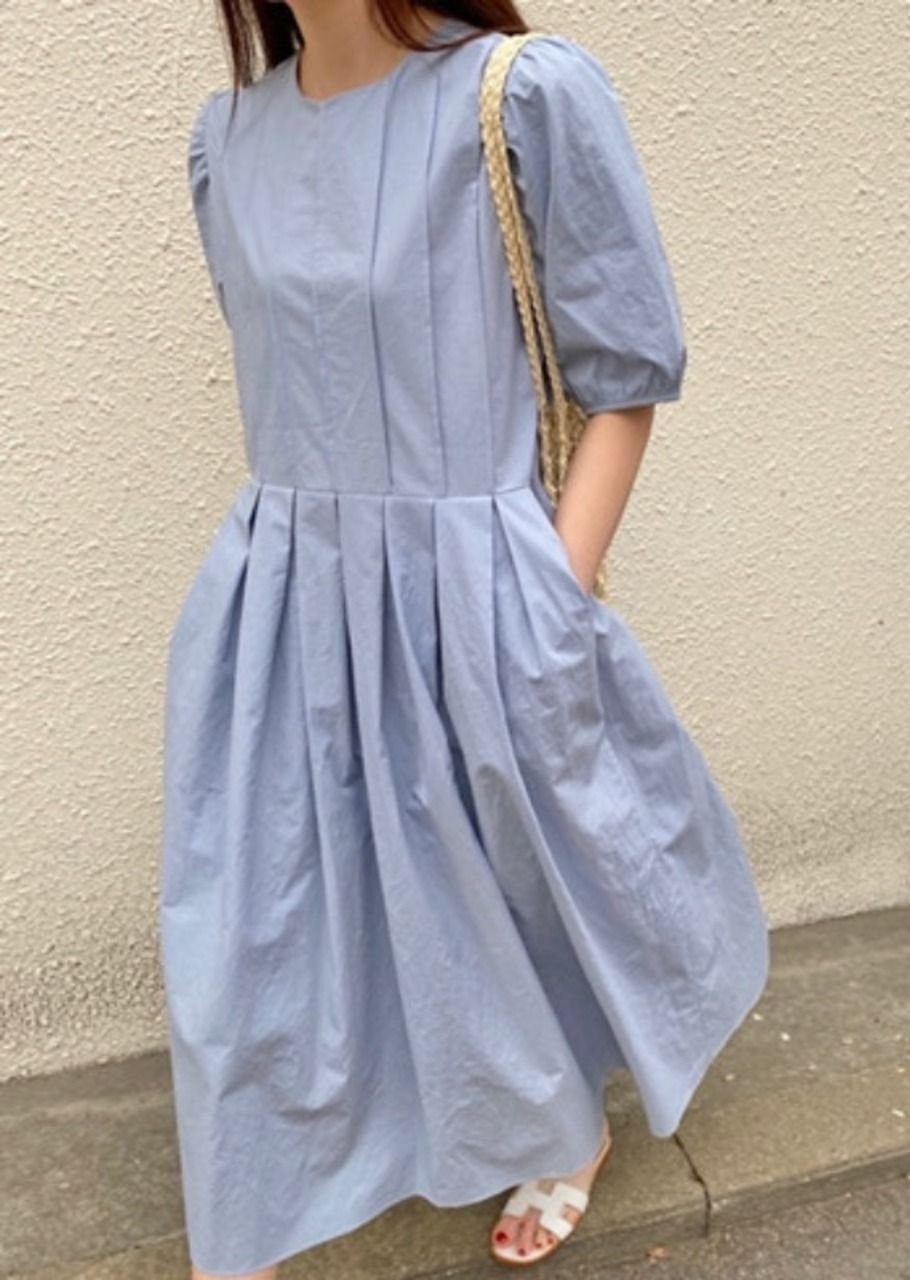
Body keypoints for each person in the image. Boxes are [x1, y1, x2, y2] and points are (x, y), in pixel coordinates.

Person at [160, 1, 770, 1275]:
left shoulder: (519, 95)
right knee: (277, 903)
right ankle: (287, 1170)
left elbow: (625, 374)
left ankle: (560, 1120)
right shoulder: (230, 140)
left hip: (477, 589)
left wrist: (551, 589)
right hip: (286, 596)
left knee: (506, 884)